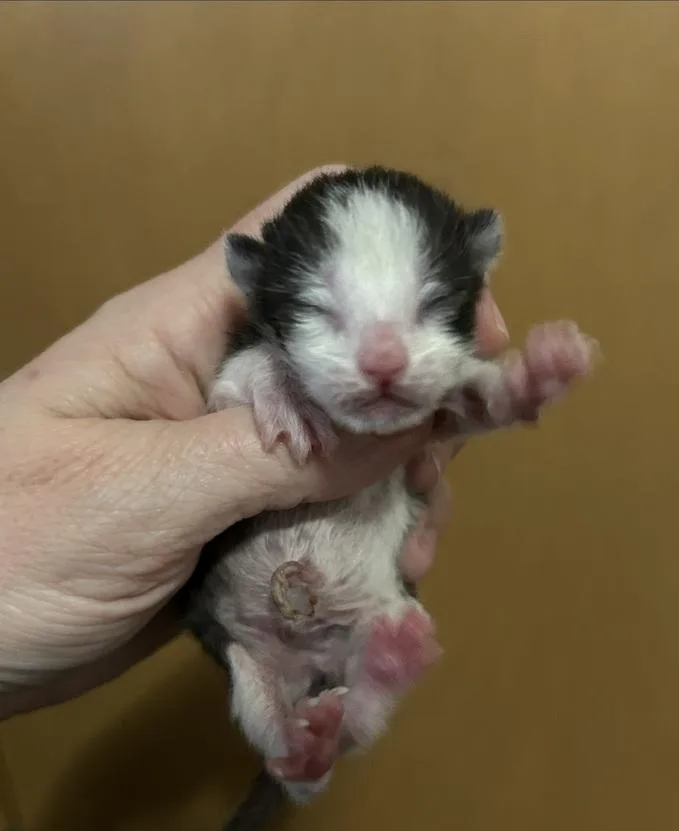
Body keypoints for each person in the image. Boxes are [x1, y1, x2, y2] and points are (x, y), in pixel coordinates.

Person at [0, 165, 509, 722]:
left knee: (383, 619)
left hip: (338, 581)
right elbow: (240, 376)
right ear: (256, 289)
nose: (384, 360)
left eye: (431, 308)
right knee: (275, 674)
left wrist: (511, 390)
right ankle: (316, 724)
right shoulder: (249, 361)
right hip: (235, 601)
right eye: (320, 312)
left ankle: (345, 716)